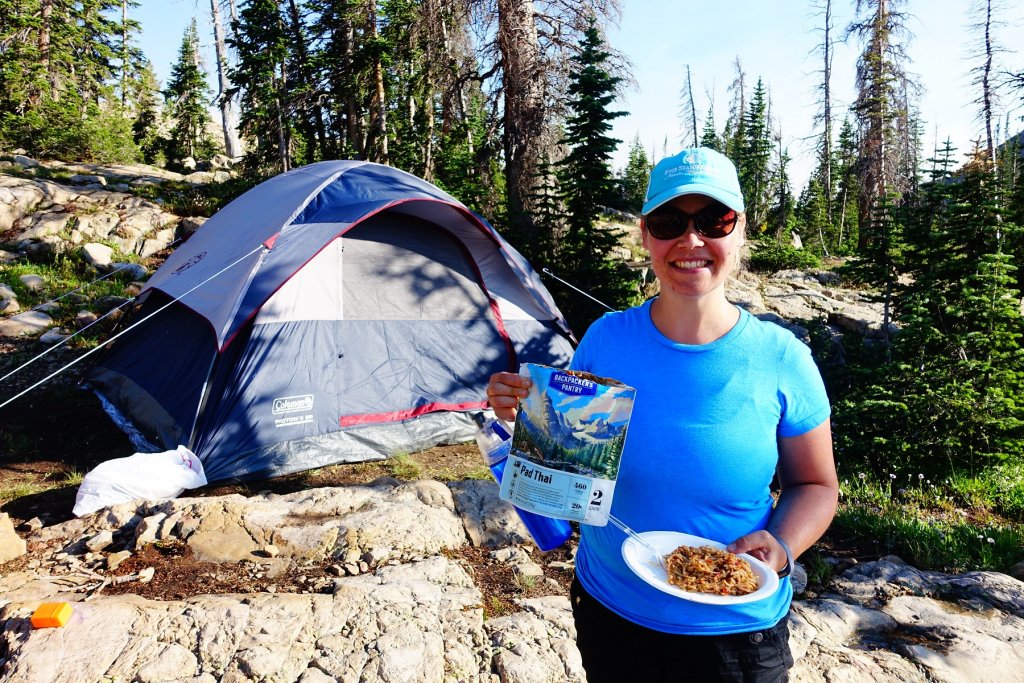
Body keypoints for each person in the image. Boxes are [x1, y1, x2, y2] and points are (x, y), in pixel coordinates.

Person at [485, 147, 839, 682]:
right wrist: (526, 418)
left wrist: (783, 544)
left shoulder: (782, 358)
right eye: (669, 221)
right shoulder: (607, 339)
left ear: (740, 232)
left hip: (734, 630)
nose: (690, 240)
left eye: (713, 220)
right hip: (610, 612)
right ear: (646, 235)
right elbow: (569, 471)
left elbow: (815, 484)